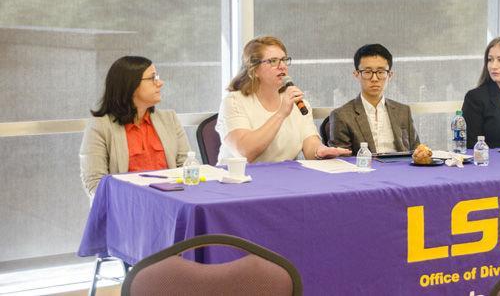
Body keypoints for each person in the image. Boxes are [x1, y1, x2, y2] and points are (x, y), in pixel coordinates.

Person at [216, 36, 351, 163]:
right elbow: (245, 152)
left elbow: (310, 144)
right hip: (240, 180)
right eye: (273, 61)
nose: (282, 66)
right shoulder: (234, 102)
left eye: (284, 60)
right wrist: (281, 113)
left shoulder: (298, 103)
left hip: (286, 180)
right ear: (254, 70)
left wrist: (320, 151)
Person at [79, 56, 190, 197]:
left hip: (170, 203)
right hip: (126, 208)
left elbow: (187, 166)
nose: (160, 83)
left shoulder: (170, 119)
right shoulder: (99, 126)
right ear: (130, 85)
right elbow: (94, 183)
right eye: (152, 78)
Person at [328, 43, 420, 155]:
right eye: (367, 72)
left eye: (381, 72)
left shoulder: (403, 111)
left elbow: (416, 151)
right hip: (363, 170)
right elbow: (343, 160)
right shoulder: (341, 115)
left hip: (401, 170)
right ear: (356, 74)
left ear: (390, 75)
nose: (374, 78)